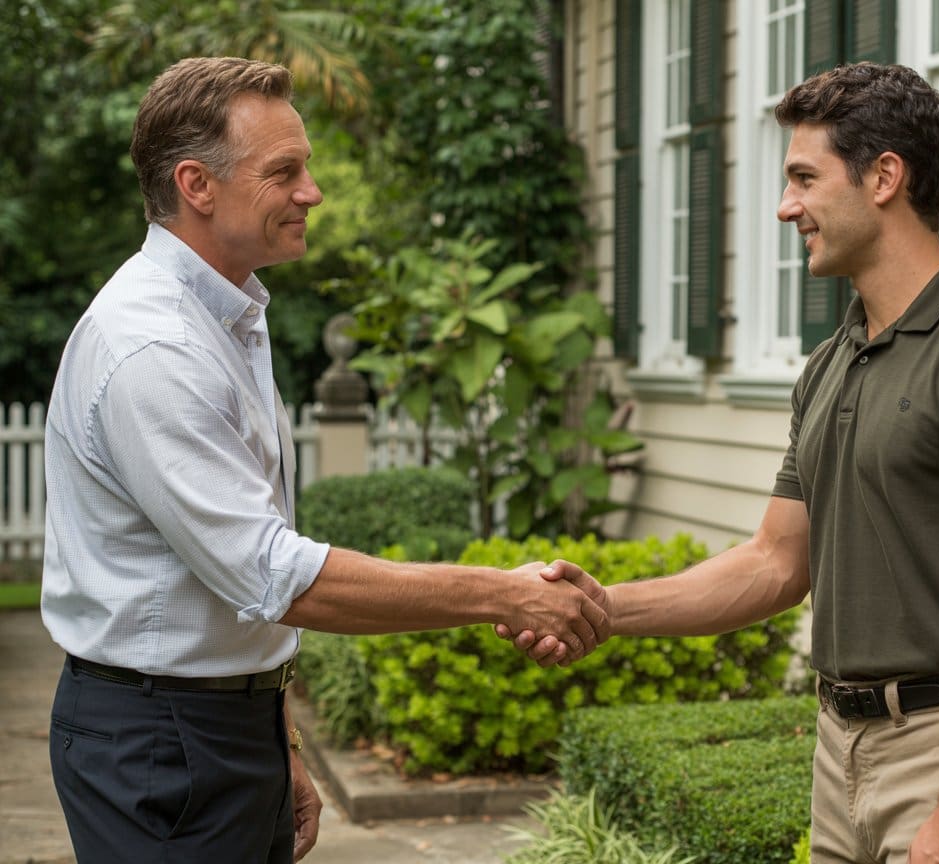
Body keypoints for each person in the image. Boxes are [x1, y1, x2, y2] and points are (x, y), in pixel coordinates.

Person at [502, 62, 939, 864]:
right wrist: (601, 609)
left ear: (884, 177)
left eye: (804, 179)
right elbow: (776, 562)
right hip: (838, 752)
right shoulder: (831, 363)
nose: (788, 208)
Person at [40, 56, 606, 864]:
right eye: (285, 171)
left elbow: (231, 596)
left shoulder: (228, 316)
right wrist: (503, 595)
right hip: (162, 747)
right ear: (197, 184)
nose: (312, 191)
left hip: (217, 728)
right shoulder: (152, 347)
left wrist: (282, 742)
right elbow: (273, 573)